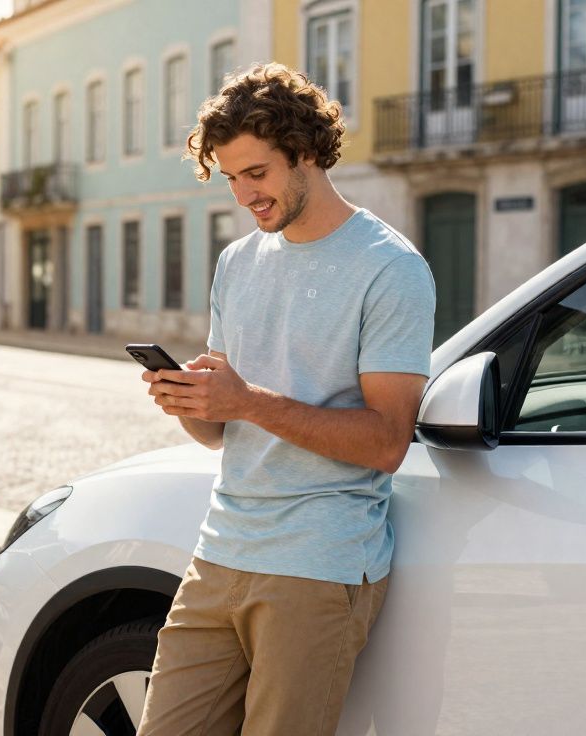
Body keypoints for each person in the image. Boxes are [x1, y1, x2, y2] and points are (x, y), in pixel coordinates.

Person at [136, 62, 436, 735]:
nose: (244, 195)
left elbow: (388, 442)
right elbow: (221, 433)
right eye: (232, 176)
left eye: (258, 173)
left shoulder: (390, 269)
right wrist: (192, 402)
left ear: (305, 154)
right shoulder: (236, 264)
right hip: (221, 551)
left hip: (318, 565)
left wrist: (246, 402)